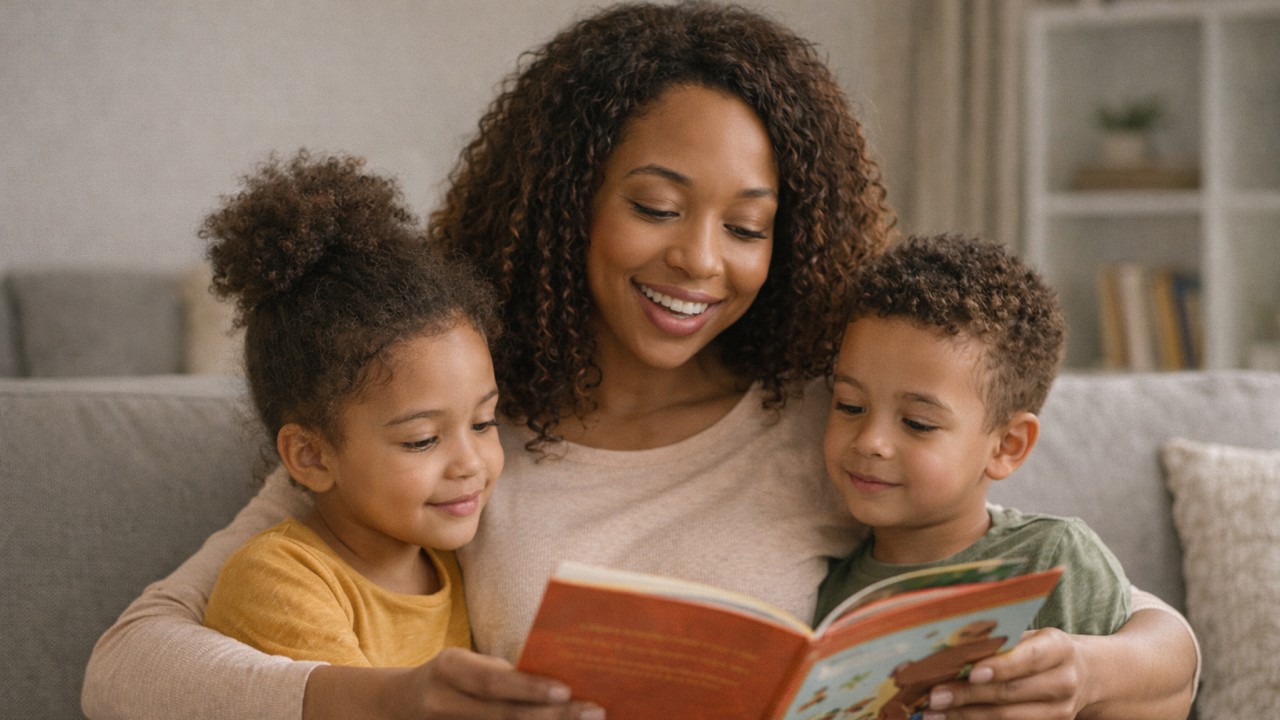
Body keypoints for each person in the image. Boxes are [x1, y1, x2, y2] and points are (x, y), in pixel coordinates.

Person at [82, 3, 1198, 719]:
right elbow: (125, 670)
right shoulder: (451, 422)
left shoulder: (834, 418)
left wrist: (1083, 674)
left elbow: (1153, 636)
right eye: (656, 207)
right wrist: (385, 700)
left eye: (748, 226)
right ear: (567, 201)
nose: (700, 262)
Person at [197, 151, 503, 668]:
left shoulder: (455, 563)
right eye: (423, 440)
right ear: (311, 456)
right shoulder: (280, 578)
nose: (470, 463)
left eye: (484, 422)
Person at [815, 234, 1131, 647]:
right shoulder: (823, 587)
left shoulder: (1052, 562)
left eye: (917, 422)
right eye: (850, 406)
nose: (871, 441)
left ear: (1007, 446)